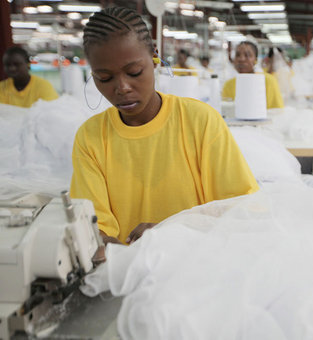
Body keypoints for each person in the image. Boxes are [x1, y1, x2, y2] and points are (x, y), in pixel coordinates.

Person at [70, 7, 258, 246]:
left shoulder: (200, 121)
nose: (122, 87)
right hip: (124, 273)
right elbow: (91, 226)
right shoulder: (91, 138)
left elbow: (240, 209)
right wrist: (103, 245)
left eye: (134, 72)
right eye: (104, 78)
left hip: (198, 261)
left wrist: (173, 230)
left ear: (155, 56)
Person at [222, 41, 284, 109]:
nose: (241, 59)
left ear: (256, 60)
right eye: (238, 55)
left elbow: (277, 111)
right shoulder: (229, 85)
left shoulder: (268, 81)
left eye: (247, 55)